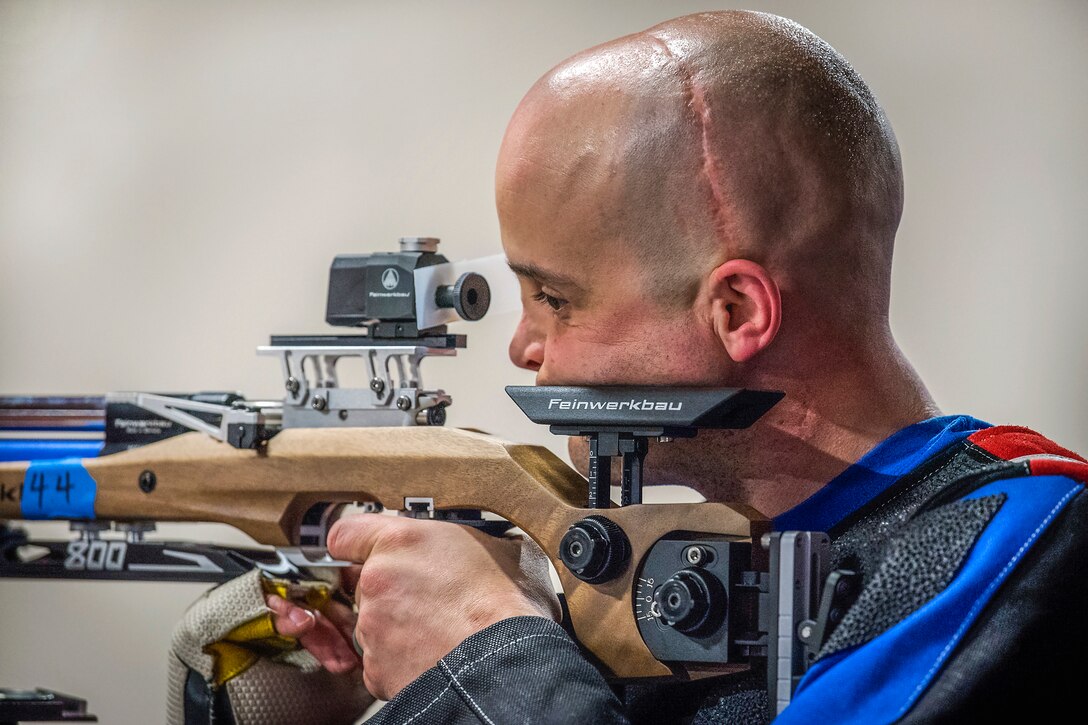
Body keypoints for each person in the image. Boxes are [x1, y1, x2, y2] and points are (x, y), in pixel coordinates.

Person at [266, 10, 1088, 723]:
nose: (525, 347)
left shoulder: (1016, 551)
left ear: (737, 312)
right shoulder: (647, 593)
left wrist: (481, 654)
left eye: (555, 297)